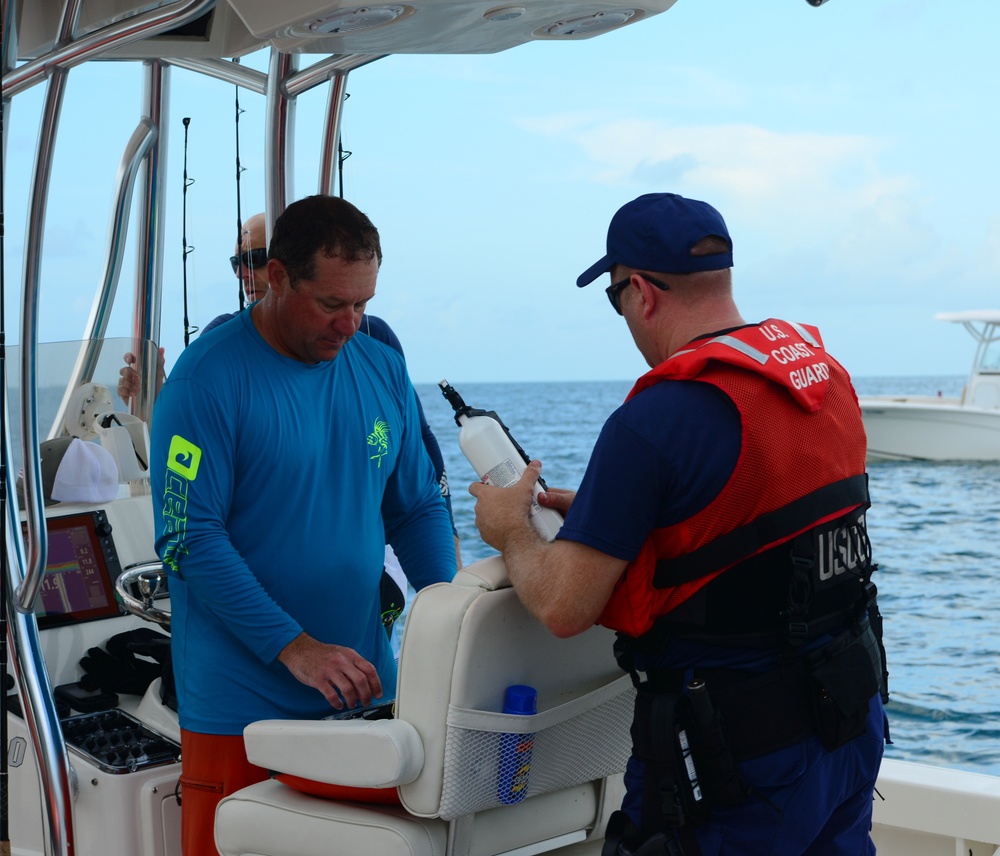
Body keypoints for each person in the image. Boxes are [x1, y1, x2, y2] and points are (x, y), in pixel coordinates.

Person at [469, 192, 889, 856]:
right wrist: (615, 520)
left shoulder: (657, 419)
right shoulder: (824, 380)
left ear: (641, 292)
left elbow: (562, 606)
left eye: (614, 298)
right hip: (848, 719)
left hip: (737, 761)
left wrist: (510, 529)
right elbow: (762, 531)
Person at [150, 194, 457, 855]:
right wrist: (297, 647)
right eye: (331, 305)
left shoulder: (379, 366)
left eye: (362, 305)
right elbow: (189, 537)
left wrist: (450, 618)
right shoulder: (206, 380)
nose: (350, 324)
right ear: (276, 277)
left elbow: (417, 506)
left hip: (366, 700)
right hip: (241, 710)